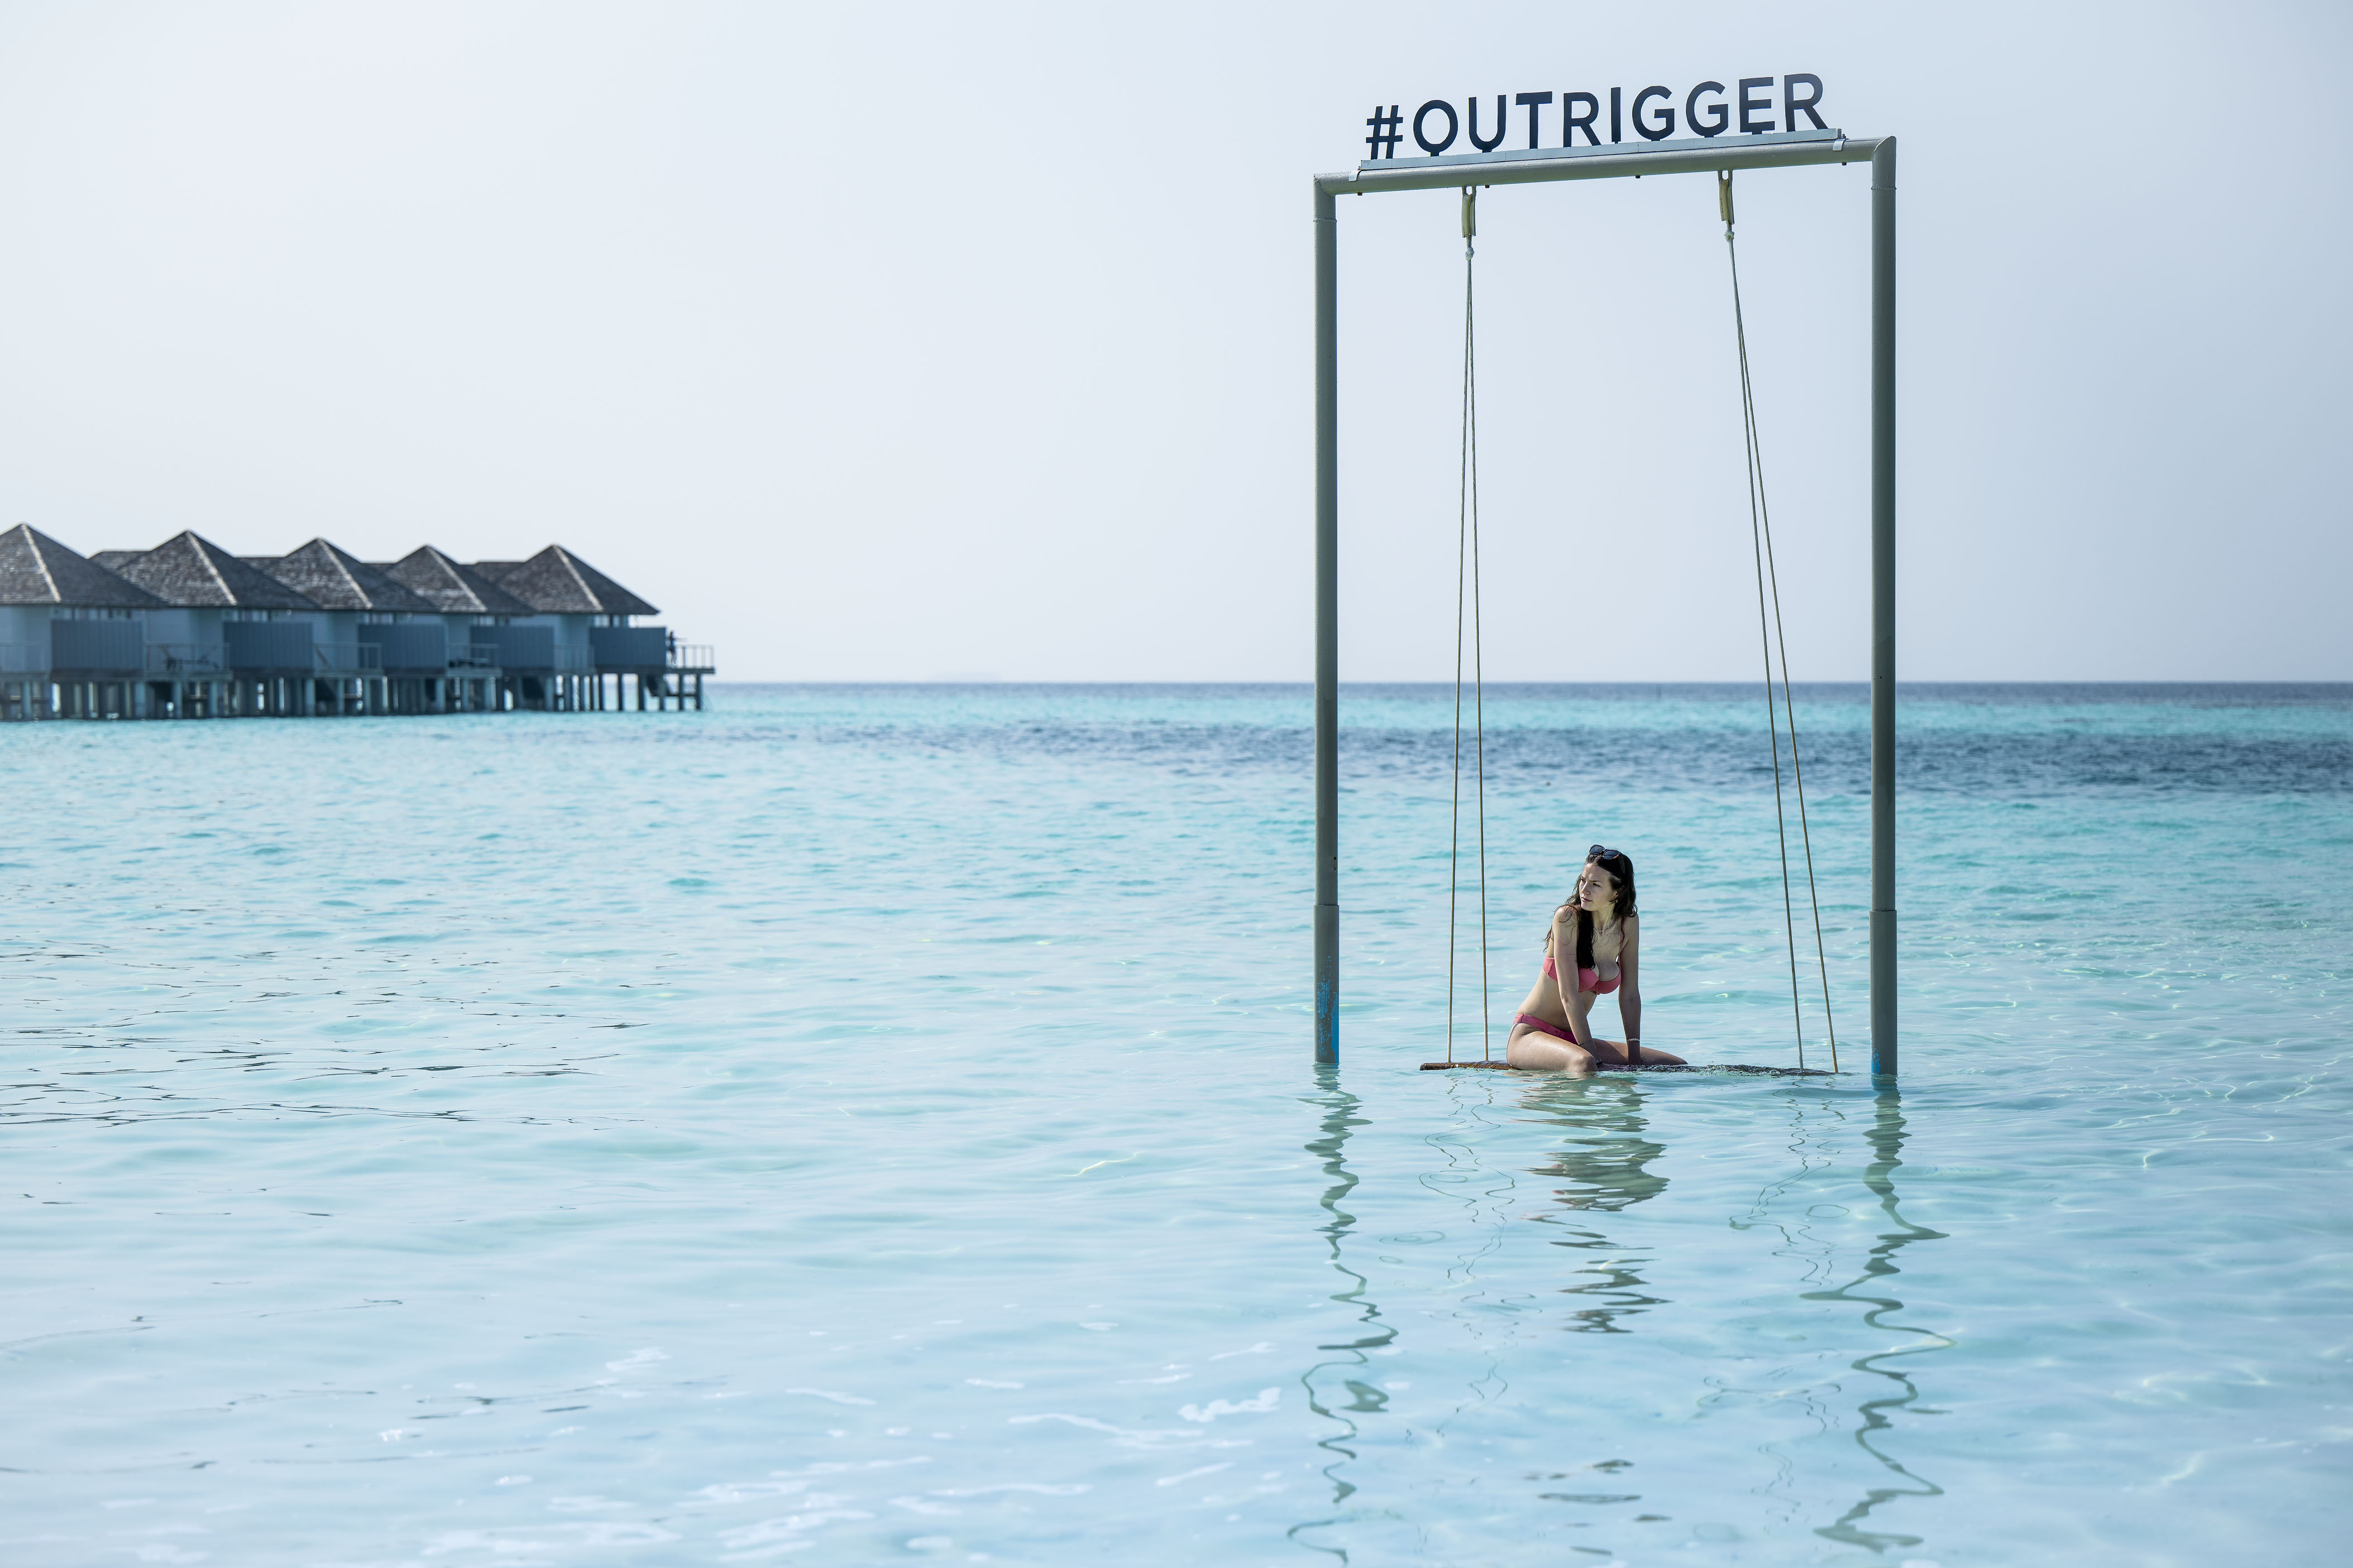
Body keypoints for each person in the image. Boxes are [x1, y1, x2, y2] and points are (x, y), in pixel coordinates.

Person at [1505, 845, 1685, 1072]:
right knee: (1585, 1063)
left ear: (1617, 892)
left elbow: (1630, 995)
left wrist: (1635, 1058)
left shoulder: (1628, 922)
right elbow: (1569, 997)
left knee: (1674, 1065)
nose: (1584, 890)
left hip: (1572, 1039)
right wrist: (1594, 1057)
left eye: (1595, 884)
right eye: (1583, 881)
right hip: (1531, 1035)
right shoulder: (1568, 919)